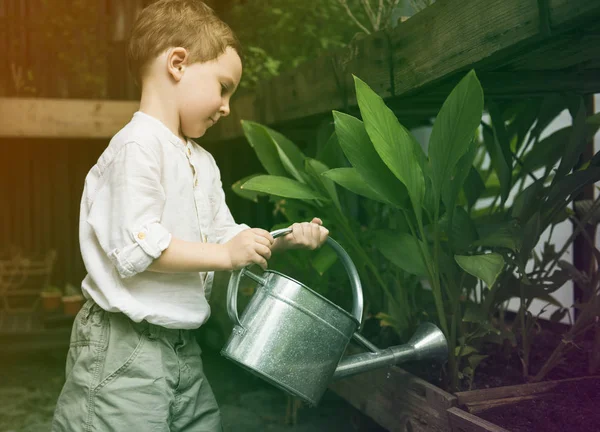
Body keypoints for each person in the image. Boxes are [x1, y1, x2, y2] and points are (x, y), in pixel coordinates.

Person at [51, 1, 329, 430]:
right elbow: (138, 249)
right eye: (223, 87)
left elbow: (225, 238)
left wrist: (284, 237)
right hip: (124, 346)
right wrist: (226, 255)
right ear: (178, 63)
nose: (227, 107)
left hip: (182, 348)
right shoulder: (136, 147)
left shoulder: (202, 161)